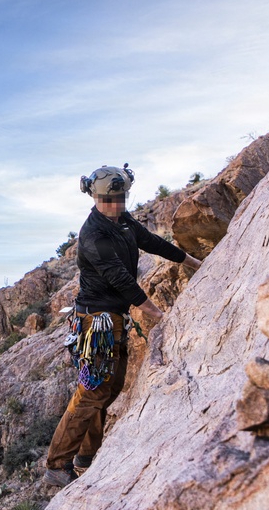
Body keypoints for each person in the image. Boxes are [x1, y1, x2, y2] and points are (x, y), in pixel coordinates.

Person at [44, 165, 202, 487]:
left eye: (120, 198)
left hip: (112, 320)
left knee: (110, 388)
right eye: (108, 199)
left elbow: (152, 242)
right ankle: (58, 465)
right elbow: (120, 279)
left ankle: (87, 456)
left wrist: (192, 262)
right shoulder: (93, 236)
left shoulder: (123, 220)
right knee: (92, 391)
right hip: (96, 322)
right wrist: (157, 314)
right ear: (95, 196)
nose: (116, 205)